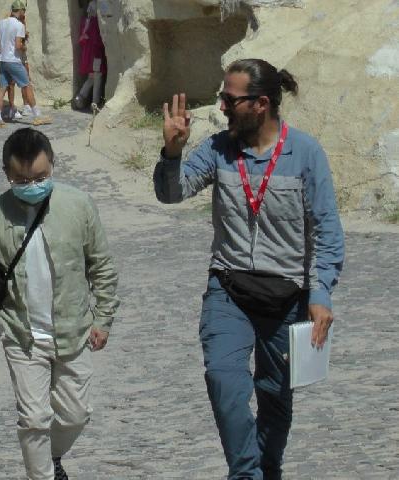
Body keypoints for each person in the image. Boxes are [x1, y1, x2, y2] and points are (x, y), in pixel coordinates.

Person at [153, 59, 345, 479]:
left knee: (275, 396)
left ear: (260, 104)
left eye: (229, 99)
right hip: (229, 289)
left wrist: (320, 294)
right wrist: (172, 153)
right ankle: (246, 473)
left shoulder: (306, 154)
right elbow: (173, 193)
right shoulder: (218, 149)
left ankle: (265, 469)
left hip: (287, 297)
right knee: (224, 381)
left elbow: (327, 230)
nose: (221, 106)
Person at [0, 128, 120, 480]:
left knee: (76, 414)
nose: (32, 185)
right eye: (21, 180)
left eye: (40, 177)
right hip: (22, 336)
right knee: (34, 419)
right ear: (6, 173)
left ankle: (49, 458)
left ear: (52, 166)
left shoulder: (78, 205)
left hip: (73, 331)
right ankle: (43, 474)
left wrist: (103, 318)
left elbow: (102, 266)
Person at [0, 0, 51, 129]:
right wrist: (24, 48)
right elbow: (18, 45)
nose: (24, 13)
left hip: (2, 60)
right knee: (27, 85)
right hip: (13, 60)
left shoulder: (1, 23)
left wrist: (3, 47)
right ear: (20, 11)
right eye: (23, 10)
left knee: (2, 88)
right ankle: (37, 116)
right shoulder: (19, 25)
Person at [73, 0, 107, 111]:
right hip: (96, 55)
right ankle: (95, 103)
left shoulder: (85, 22)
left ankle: (80, 98)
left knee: (91, 77)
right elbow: (98, 41)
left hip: (88, 56)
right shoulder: (95, 23)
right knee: (97, 77)